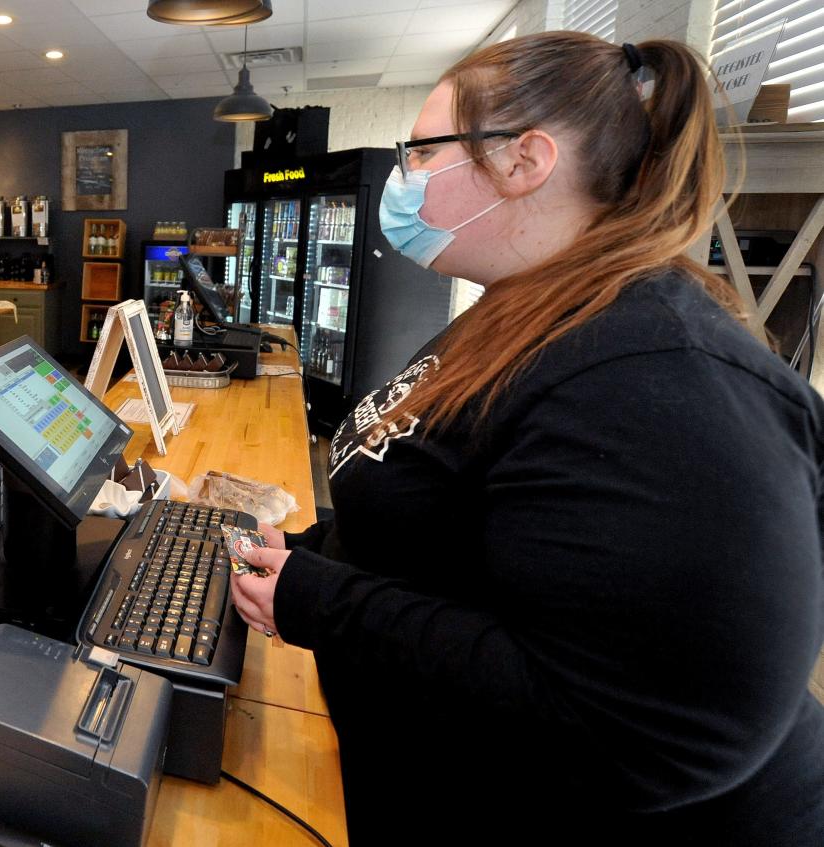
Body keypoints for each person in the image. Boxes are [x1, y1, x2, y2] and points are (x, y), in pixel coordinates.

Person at [231, 32, 824, 845]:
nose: (405, 178)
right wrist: (311, 551)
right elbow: (448, 518)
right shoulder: (525, 309)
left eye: (422, 151)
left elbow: (640, 726)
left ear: (524, 160)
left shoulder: (660, 370)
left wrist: (320, 599)